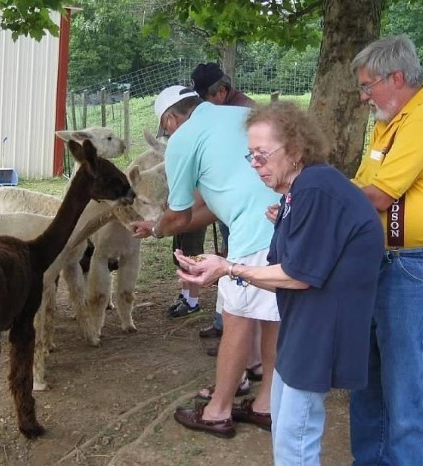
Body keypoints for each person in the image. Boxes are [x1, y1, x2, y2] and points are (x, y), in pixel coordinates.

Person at [174, 101, 385, 464]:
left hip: (321, 330)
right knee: (288, 431)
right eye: (250, 156)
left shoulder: (316, 189)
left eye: (262, 155)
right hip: (304, 327)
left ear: (297, 150)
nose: (255, 165)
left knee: (296, 439)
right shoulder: (299, 193)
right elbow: (287, 274)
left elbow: (298, 276)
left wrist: (229, 268)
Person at [349, 35, 423, 466]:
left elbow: (377, 196)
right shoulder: (389, 123)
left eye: (368, 86)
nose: (364, 96)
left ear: (395, 77)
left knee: (409, 394)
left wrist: (312, 194)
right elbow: (361, 188)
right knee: (369, 385)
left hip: (422, 270)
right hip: (386, 263)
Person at [132, 85, 281, 438]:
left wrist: (155, 230)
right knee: (274, 317)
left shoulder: (183, 139)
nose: (167, 133)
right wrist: (158, 225)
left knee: (237, 319)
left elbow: (180, 215)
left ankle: (217, 411)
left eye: (165, 128)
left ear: (171, 119)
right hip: (285, 220)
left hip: (252, 232)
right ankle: (267, 405)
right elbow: (213, 205)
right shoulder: (239, 114)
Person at [190, 62, 257, 364]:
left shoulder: (246, 113)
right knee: (227, 260)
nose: (206, 107)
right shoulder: (224, 110)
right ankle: (223, 325)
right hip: (229, 197)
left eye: (208, 99)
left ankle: (237, 337)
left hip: (246, 203)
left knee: (238, 265)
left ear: (221, 91)